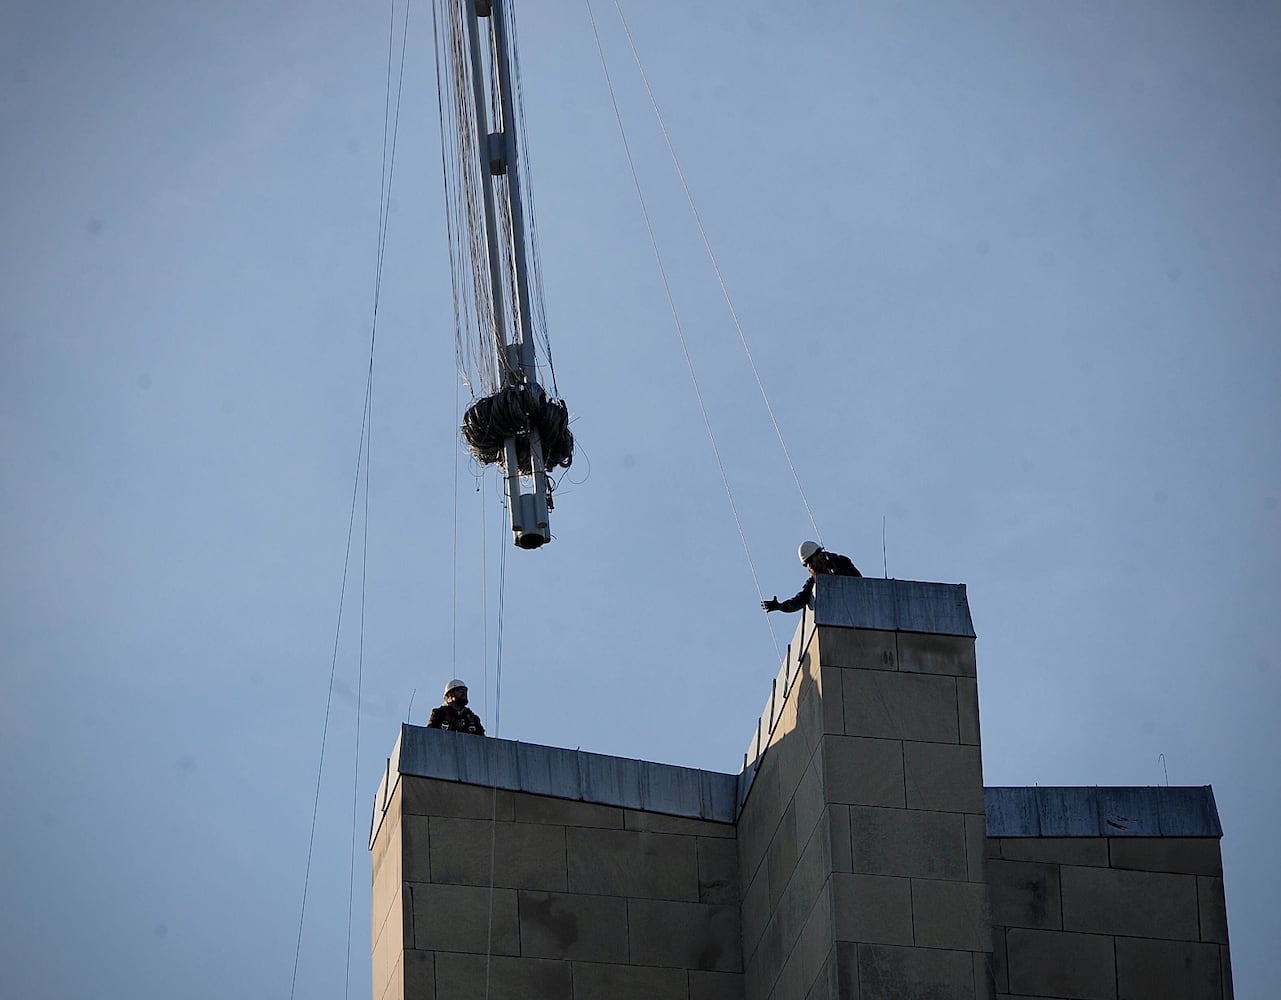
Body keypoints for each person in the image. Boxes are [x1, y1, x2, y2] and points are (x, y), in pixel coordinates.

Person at [761, 540, 862, 613]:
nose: (810, 567)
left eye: (810, 561)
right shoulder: (813, 582)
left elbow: (860, 585)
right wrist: (781, 606)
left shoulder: (841, 562)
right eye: (806, 565)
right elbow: (799, 600)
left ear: (819, 554)